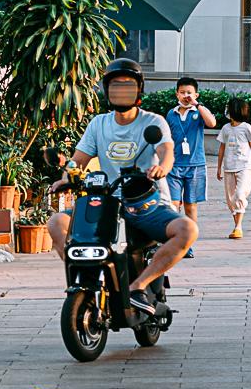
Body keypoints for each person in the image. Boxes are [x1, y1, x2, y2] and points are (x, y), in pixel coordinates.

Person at [46, 57, 197, 317]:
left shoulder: (153, 122)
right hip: (108, 203)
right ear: (107, 91)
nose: (121, 91)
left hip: (147, 203)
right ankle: (84, 279)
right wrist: (65, 177)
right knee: (56, 223)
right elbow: (78, 160)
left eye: (128, 86)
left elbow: (166, 150)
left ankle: (139, 286)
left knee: (187, 229)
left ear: (139, 90)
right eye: (116, 86)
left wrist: (163, 167)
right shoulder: (99, 124)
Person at [166, 76, 217, 255]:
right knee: (173, 204)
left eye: (189, 92)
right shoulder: (171, 114)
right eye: (182, 92)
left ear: (196, 94)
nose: (186, 96)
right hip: (174, 165)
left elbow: (212, 123)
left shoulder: (199, 112)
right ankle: (173, 239)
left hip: (195, 165)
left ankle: (188, 242)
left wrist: (197, 105)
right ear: (176, 94)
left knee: (191, 205)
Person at [216, 97, 251, 238]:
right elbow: (221, 148)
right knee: (231, 199)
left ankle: (238, 226)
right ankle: (237, 227)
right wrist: (219, 168)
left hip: (245, 166)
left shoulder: (246, 127)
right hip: (229, 167)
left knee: (240, 194)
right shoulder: (225, 128)